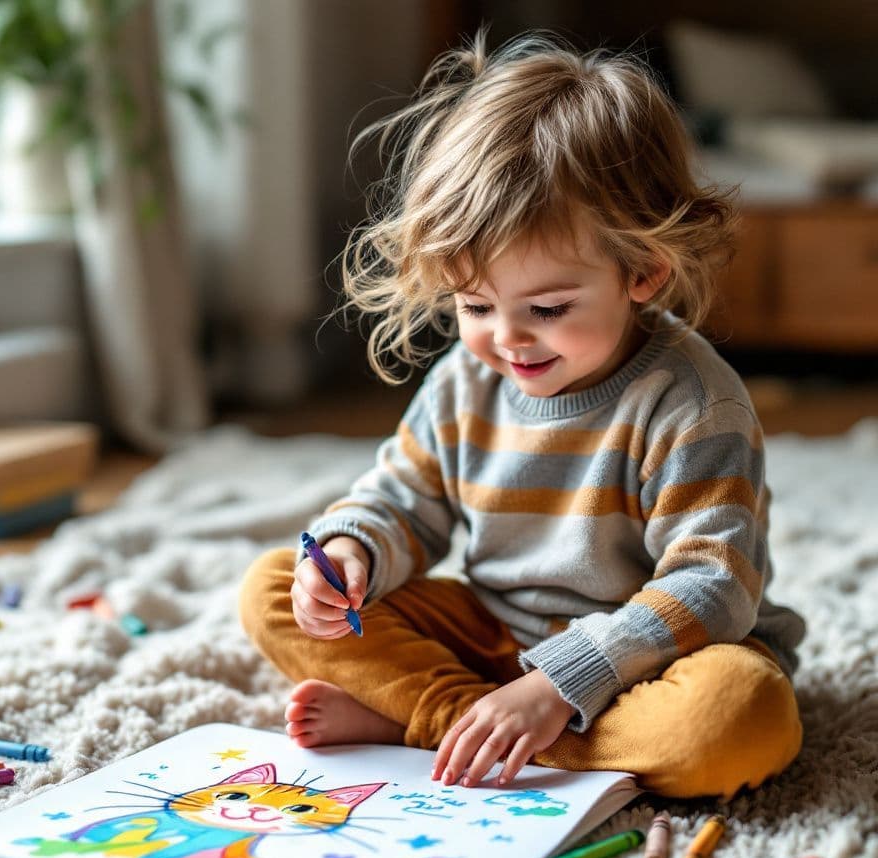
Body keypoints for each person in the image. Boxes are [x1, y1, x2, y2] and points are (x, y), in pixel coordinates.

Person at [239, 33, 805, 799]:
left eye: (547, 308)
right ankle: (476, 721)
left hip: (652, 662)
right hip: (492, 636)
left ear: (642, 271)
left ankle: (439, 723)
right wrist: (349, 556)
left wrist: (557, 686)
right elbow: (403, 502)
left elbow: (712, 586)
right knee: (273, 587)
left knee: (741, 715)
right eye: (475, 305)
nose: (505, 338)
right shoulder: (468, 379)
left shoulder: (693, 402)